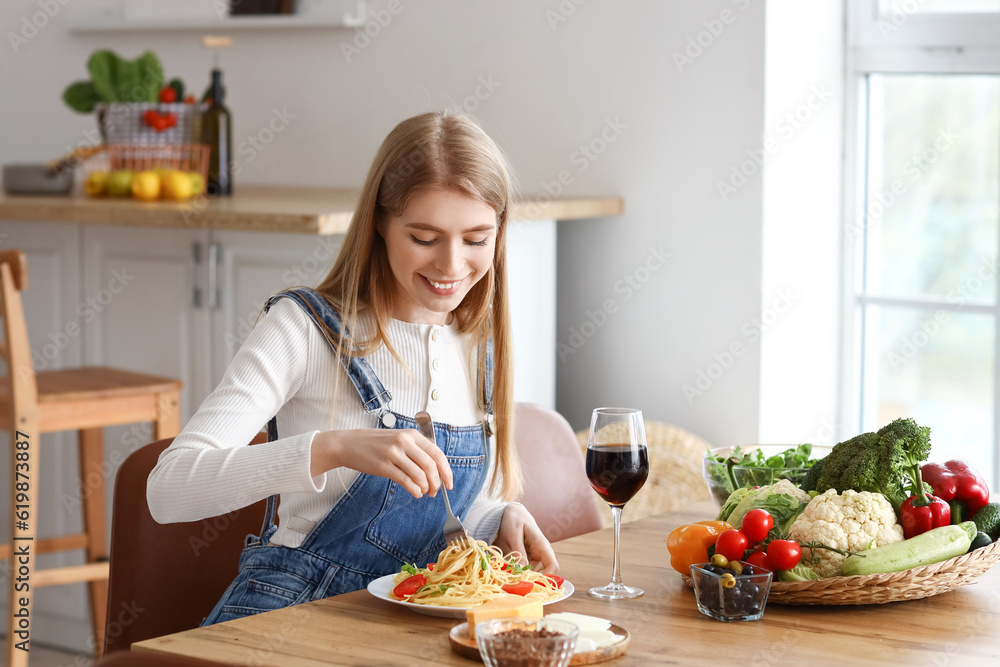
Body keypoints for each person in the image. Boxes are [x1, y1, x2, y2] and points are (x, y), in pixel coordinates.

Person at [146, 111, 559, 625]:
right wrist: (332, 447)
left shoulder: (478, 344)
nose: (452, 266)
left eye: (476, 239)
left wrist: (499, 517)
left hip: (411, 627)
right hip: (291, 617)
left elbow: (442, 510)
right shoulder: (302, 327)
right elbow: (169, 490)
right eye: (425, 238)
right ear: (380, 225)